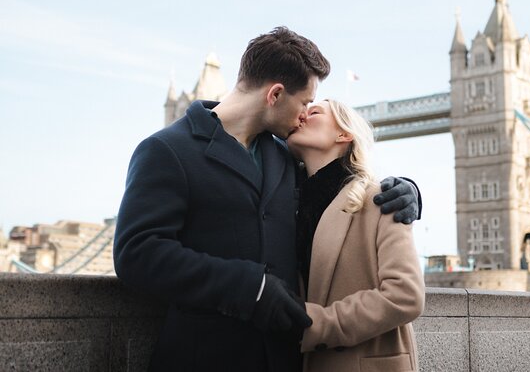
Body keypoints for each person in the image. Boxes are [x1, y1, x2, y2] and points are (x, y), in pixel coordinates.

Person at [113, 27, 421, 372]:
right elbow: (136, 253)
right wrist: (247, 285)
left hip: (286, 359)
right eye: (305, 103)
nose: (305, 114)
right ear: (275, 94)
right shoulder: (167, 150)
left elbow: (341, 184)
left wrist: (407, 191)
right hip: (206, 357)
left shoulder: (287, 156)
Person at [287, 99, 425, 372]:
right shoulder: (285, 207)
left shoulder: (380, 199)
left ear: (344, 134)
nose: (302, 116)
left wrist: (318, 325)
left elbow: (406, 295)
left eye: (314, 112)